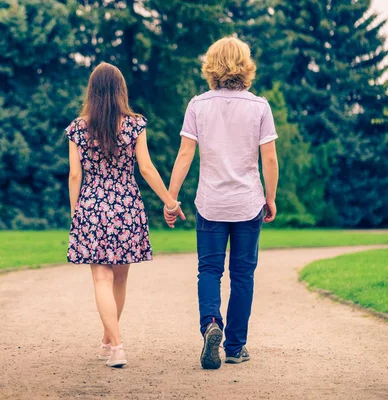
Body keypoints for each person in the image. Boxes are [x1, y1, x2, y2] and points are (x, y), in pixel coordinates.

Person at [164, 37, 279, 369]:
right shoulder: (259, 106)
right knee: (243, 274)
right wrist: (270, 198)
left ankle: (211, 322)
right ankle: (235, 347)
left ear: (211, 65)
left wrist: (172, 199)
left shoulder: (198, 105)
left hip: (211, 203)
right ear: (246, 64)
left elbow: (185, 154)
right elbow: (269, 159)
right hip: (247, 203)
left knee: (209, 270)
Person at [65, 62, 184, 368]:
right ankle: (111, 342)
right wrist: (170, 201)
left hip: (92, 205)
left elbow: (75, 176)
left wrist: (75, 213)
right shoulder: (135, 125)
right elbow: (145, 168)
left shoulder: (78, 128)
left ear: (92, 91)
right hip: (126, 206)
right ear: (120, 91)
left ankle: (113, 344)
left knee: (100, 278)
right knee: (119, 278)